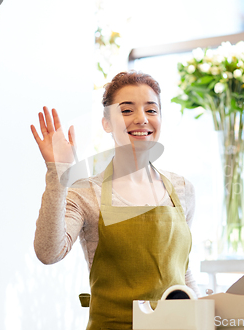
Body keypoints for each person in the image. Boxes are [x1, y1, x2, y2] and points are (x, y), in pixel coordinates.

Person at [31, 71, 199, 330]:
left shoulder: (182, 188)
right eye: (127, 110)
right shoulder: (86, 192)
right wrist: (58, 173)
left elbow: (183, 275)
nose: (141, 119)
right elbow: (48, 253)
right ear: (107, 123)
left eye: (151, 110)